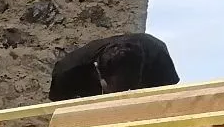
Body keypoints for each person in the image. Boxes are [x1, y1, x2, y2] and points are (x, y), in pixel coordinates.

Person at [48, 32, 180, 100]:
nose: (120, 94)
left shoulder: (158, 57)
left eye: (127, 88)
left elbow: (168, 101)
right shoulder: (67, 72)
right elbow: (60, 113)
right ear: (98, 70)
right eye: (115, 89)